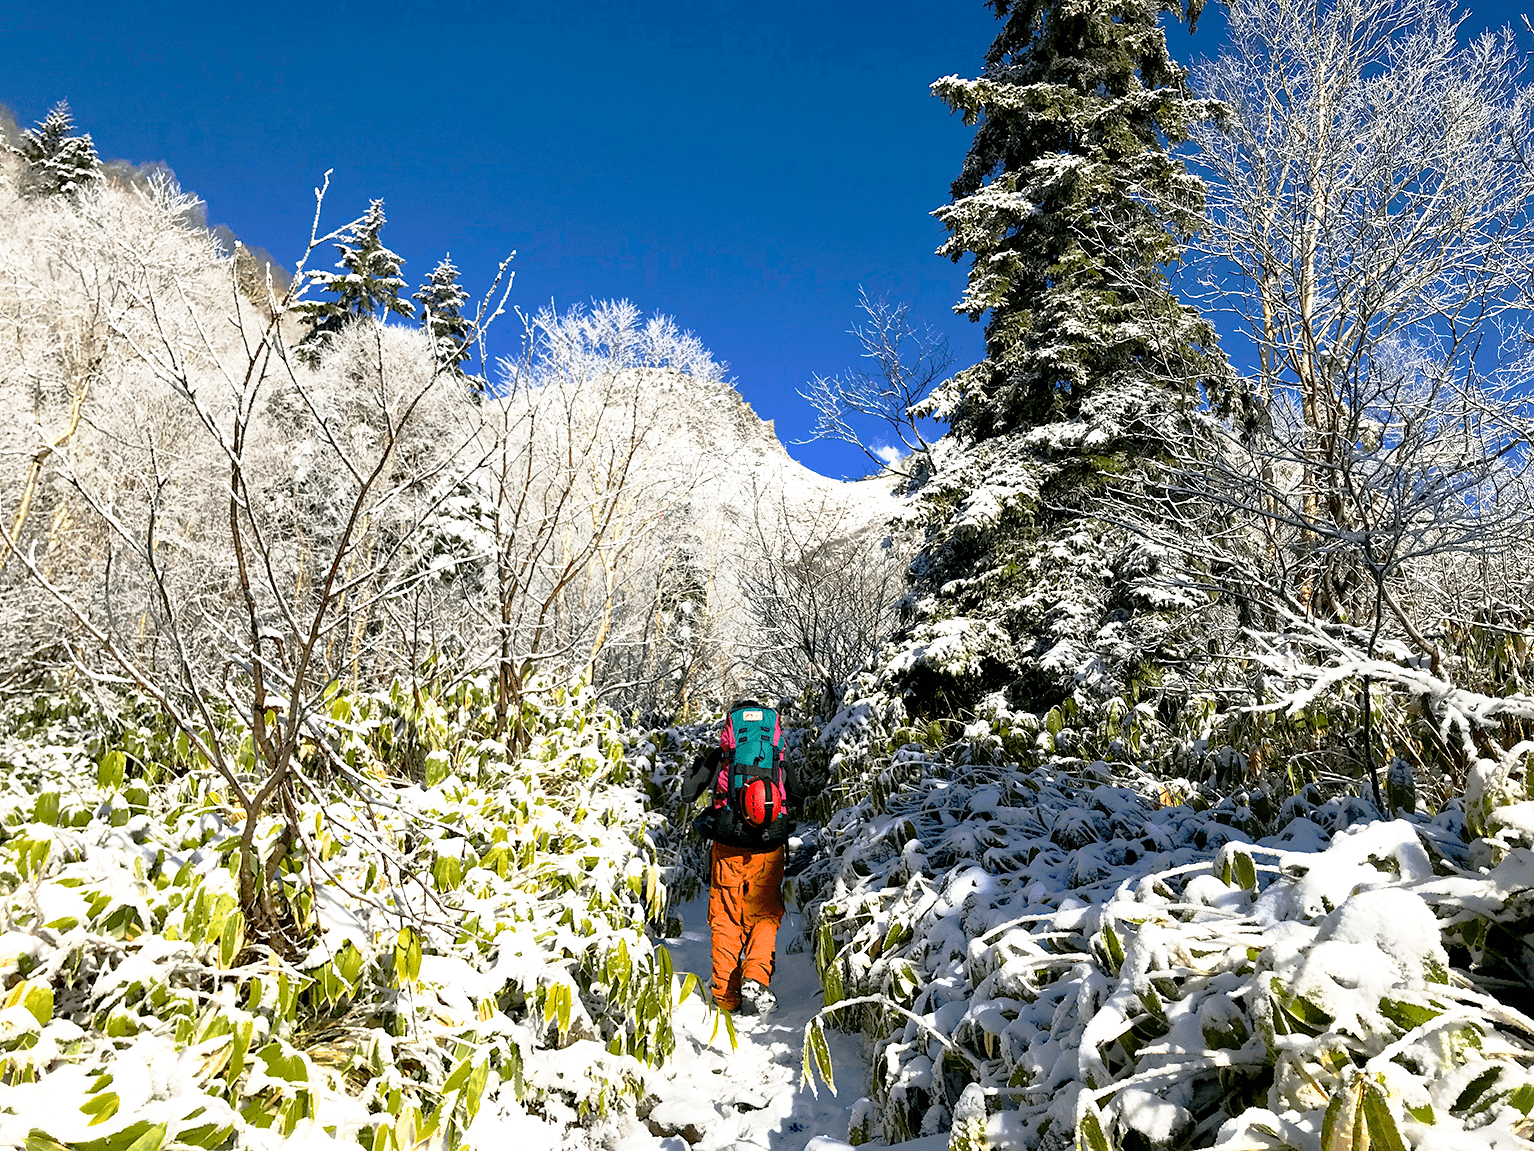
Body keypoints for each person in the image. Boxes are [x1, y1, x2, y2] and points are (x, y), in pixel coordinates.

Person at [681, 699, 804, 1015]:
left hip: (728, 848)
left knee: (725, 918)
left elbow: (687, 793)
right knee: (764, 916)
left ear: (731, 729)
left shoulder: (723, 756)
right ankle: (755, 976)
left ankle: (725, 998)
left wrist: (699, 769)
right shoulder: (776, 757)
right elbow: (801, 794)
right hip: (769, 849)